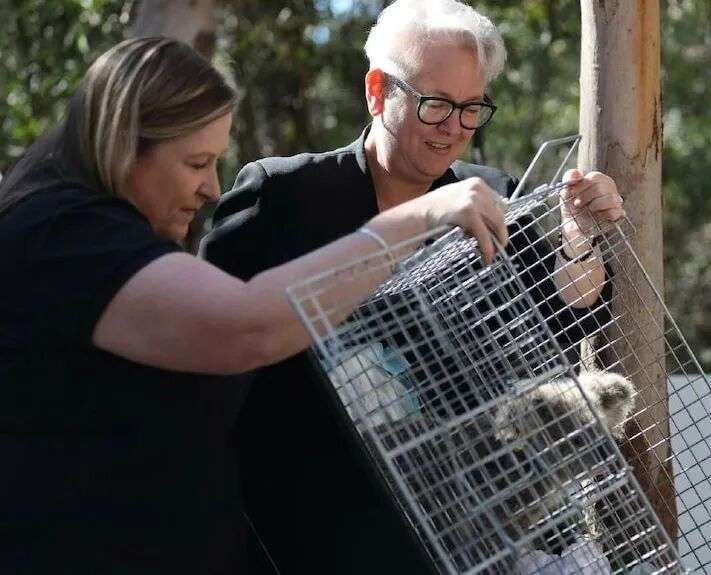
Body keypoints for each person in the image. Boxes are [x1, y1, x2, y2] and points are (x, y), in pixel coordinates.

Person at [0, 36, 507, 574]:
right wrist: (418, 219)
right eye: (196, 163)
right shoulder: (66, 235)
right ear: (124, 145)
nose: (212, 189)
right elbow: (247, 327)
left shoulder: (102, 229)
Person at [201, 0, 626, 572]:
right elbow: (210, 347)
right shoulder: (283, 197)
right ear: (377, 91)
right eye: (435, 104)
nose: (454, 127)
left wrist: (579, 239)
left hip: (466, 538)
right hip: (313, 534)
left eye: (471, 107)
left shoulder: (491, 197)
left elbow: (567, 314)